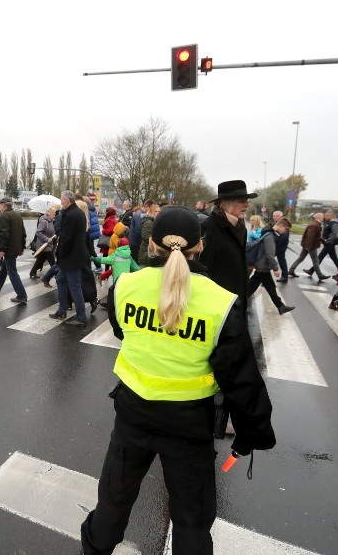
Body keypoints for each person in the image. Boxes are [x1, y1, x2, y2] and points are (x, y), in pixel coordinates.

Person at [80, 206, 276, 555]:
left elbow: (122, 332)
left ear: (151, 246)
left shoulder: (125, 286)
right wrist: (252, 433)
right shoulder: (219, 301)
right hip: (190, 426)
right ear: (199, 247)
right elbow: (240, 378)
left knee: (112, 504)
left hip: (132, 416)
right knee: (191, 521)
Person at [198, 180, 258, 314]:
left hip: (238, 304)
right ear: (226, 203)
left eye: (247, 200)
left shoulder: (241, 227)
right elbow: (204, 272)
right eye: (242, 200)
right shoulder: (208, 228)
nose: (247, 204)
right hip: (220, 309)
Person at [48, 191, 89, 326]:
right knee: (60, 280)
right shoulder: (76, 213)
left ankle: (81, 317)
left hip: (71, 257)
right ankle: (62, 310)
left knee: (75, 287)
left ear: (67, 200)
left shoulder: (71, 215)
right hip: (73, 256)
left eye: (62, 200)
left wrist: (61, 255)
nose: (60, 202)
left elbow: (66, 238)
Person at [247, 217, 295, 315]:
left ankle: (281, 306)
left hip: (263, 266)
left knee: (270, 287)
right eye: (286, 229)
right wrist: (276, 268)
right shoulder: (270, 236)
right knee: (250, 288)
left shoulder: (269, 232)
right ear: (281, 226)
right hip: (263, 265)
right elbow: (269, 255)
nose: (285, 232)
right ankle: (237, 302)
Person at [0, 197, 28, 304]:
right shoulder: (17, 215)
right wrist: (22, 247)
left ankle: (21, 295)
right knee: (4, 269)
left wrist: (1, 249)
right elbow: (23, 233)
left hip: (9, 249)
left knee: (12, 272)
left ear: (3, 205)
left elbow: (3, 234)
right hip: (15, 248)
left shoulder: (4, 216)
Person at [288, 212, 329, 281]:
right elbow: (310, 237)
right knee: (316, 260)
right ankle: (320, 275)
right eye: (323, 217)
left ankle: (291, 270)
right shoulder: (314, 225)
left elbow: (317, 236)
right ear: (318, 217)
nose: (324, 218)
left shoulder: (314, 224)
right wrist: (308, 247)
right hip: (311, 246)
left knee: (301, 258)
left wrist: (323, 241)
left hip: (308, 245)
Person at [306, 210, 338, 278]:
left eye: (326, 215)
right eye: (325, 215)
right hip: (328, 243)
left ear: (331, 216)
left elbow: (336, 234)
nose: (325, 217)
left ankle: (312, 270)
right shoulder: (329, 222)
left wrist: (327, 240)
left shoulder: (334, 223)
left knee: (320, 257)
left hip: (330, 243)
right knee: (333, 258)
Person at [29, 206, 57, 279]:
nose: (55, 215)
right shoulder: (44, 222)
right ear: (49, 213)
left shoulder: (50, 221)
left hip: (48, 244)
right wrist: (47, 239)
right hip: (44, 245)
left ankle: (32, 272)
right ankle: (58, 275)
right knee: (52, 262)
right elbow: (38, 232)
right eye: (53, 214)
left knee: (40, 259)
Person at [129, 200, 155, 264]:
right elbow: (138, 231)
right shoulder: (140, 215)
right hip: (136, 244)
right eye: (151, 209)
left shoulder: (139, 214)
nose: (151, 212)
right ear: (147, 207)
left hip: (135, 243)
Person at [137, 202, 161, 267]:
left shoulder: (155, 221)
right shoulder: (149, 222)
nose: (158, 213)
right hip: (145, 251)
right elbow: (145, 236)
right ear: (151, 212)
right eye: (156, 211)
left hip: (150, 250)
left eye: (159, 211)